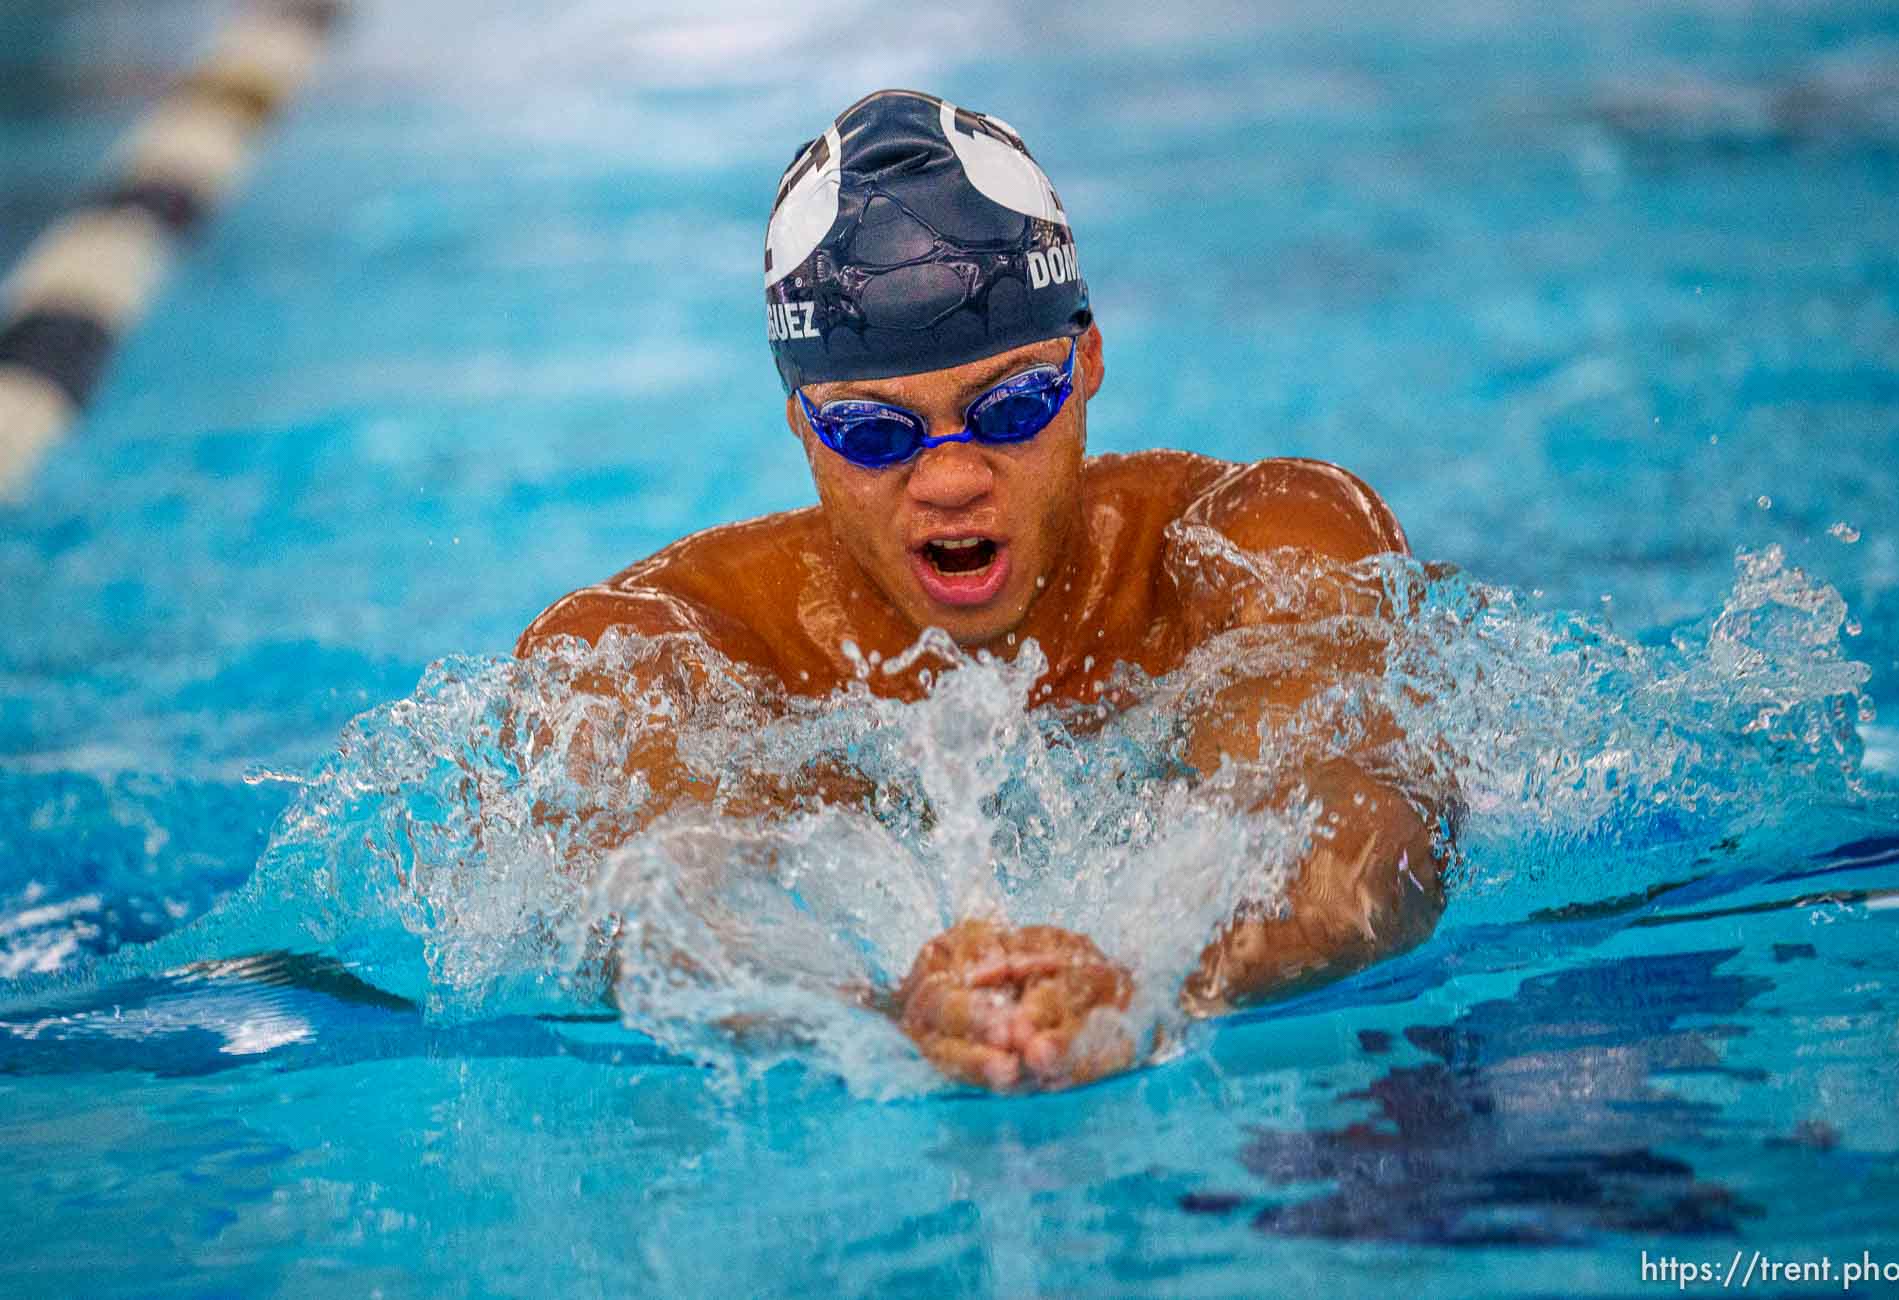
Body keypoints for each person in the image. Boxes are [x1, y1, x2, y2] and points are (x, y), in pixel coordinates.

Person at [516, 89, 1448, 1093]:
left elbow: (1369, 830)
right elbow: (654, 917)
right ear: (800, 421)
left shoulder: (1266, 545)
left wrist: (1162, 979)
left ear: (1085, 360)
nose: (952, 478)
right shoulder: (658, 648)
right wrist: (877, 1015)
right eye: (875, 430)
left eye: (1009, 406)